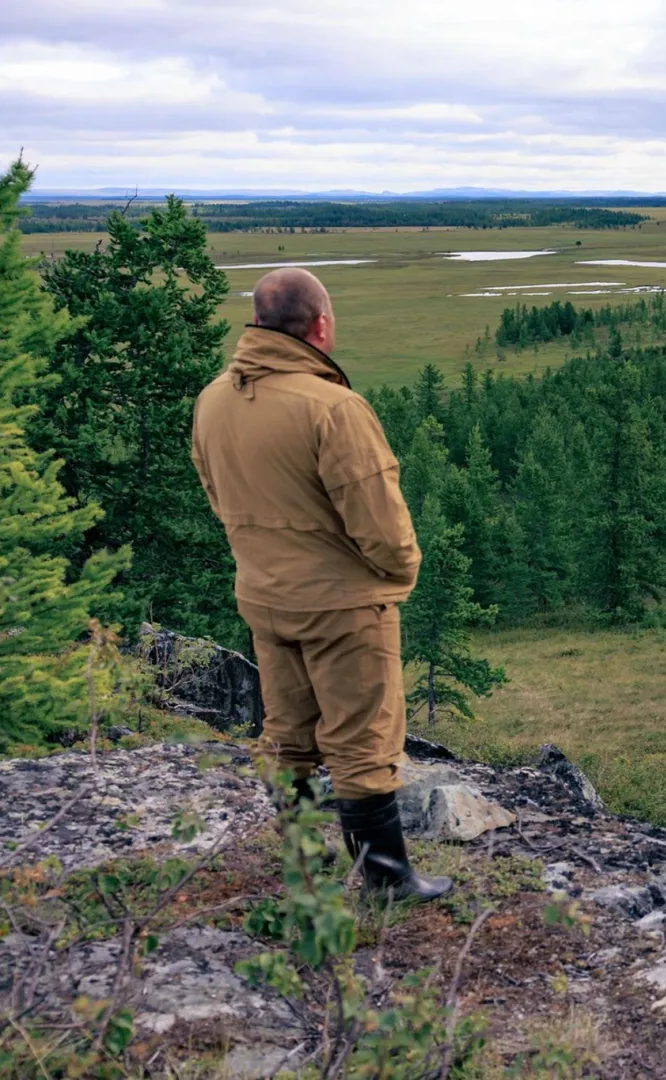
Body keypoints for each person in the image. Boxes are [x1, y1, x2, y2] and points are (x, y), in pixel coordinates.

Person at [191, 268, 450, 903]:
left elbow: (217, 498)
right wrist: (396, 576)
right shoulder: (333, 408)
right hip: (341, 605)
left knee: (287, 737)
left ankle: (302, 871)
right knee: (362, 739)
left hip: (264, 596)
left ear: (256, 323)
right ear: (320, 325)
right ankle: (386, 881)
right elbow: (382, 526)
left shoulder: (213, 400)